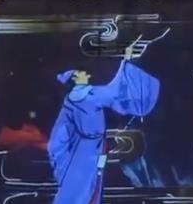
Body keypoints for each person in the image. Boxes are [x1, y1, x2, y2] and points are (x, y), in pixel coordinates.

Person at [47, 57, 160, 204]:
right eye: (81, 74)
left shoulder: (87, 95)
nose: (86, 75)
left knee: (88, 186)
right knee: (81, 186)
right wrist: (125, 65)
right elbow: (62, 129)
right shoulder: (81, 98)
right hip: (83, 148)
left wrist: (125, 65)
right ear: (75, 78)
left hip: (90, 148)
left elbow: (115, 93)